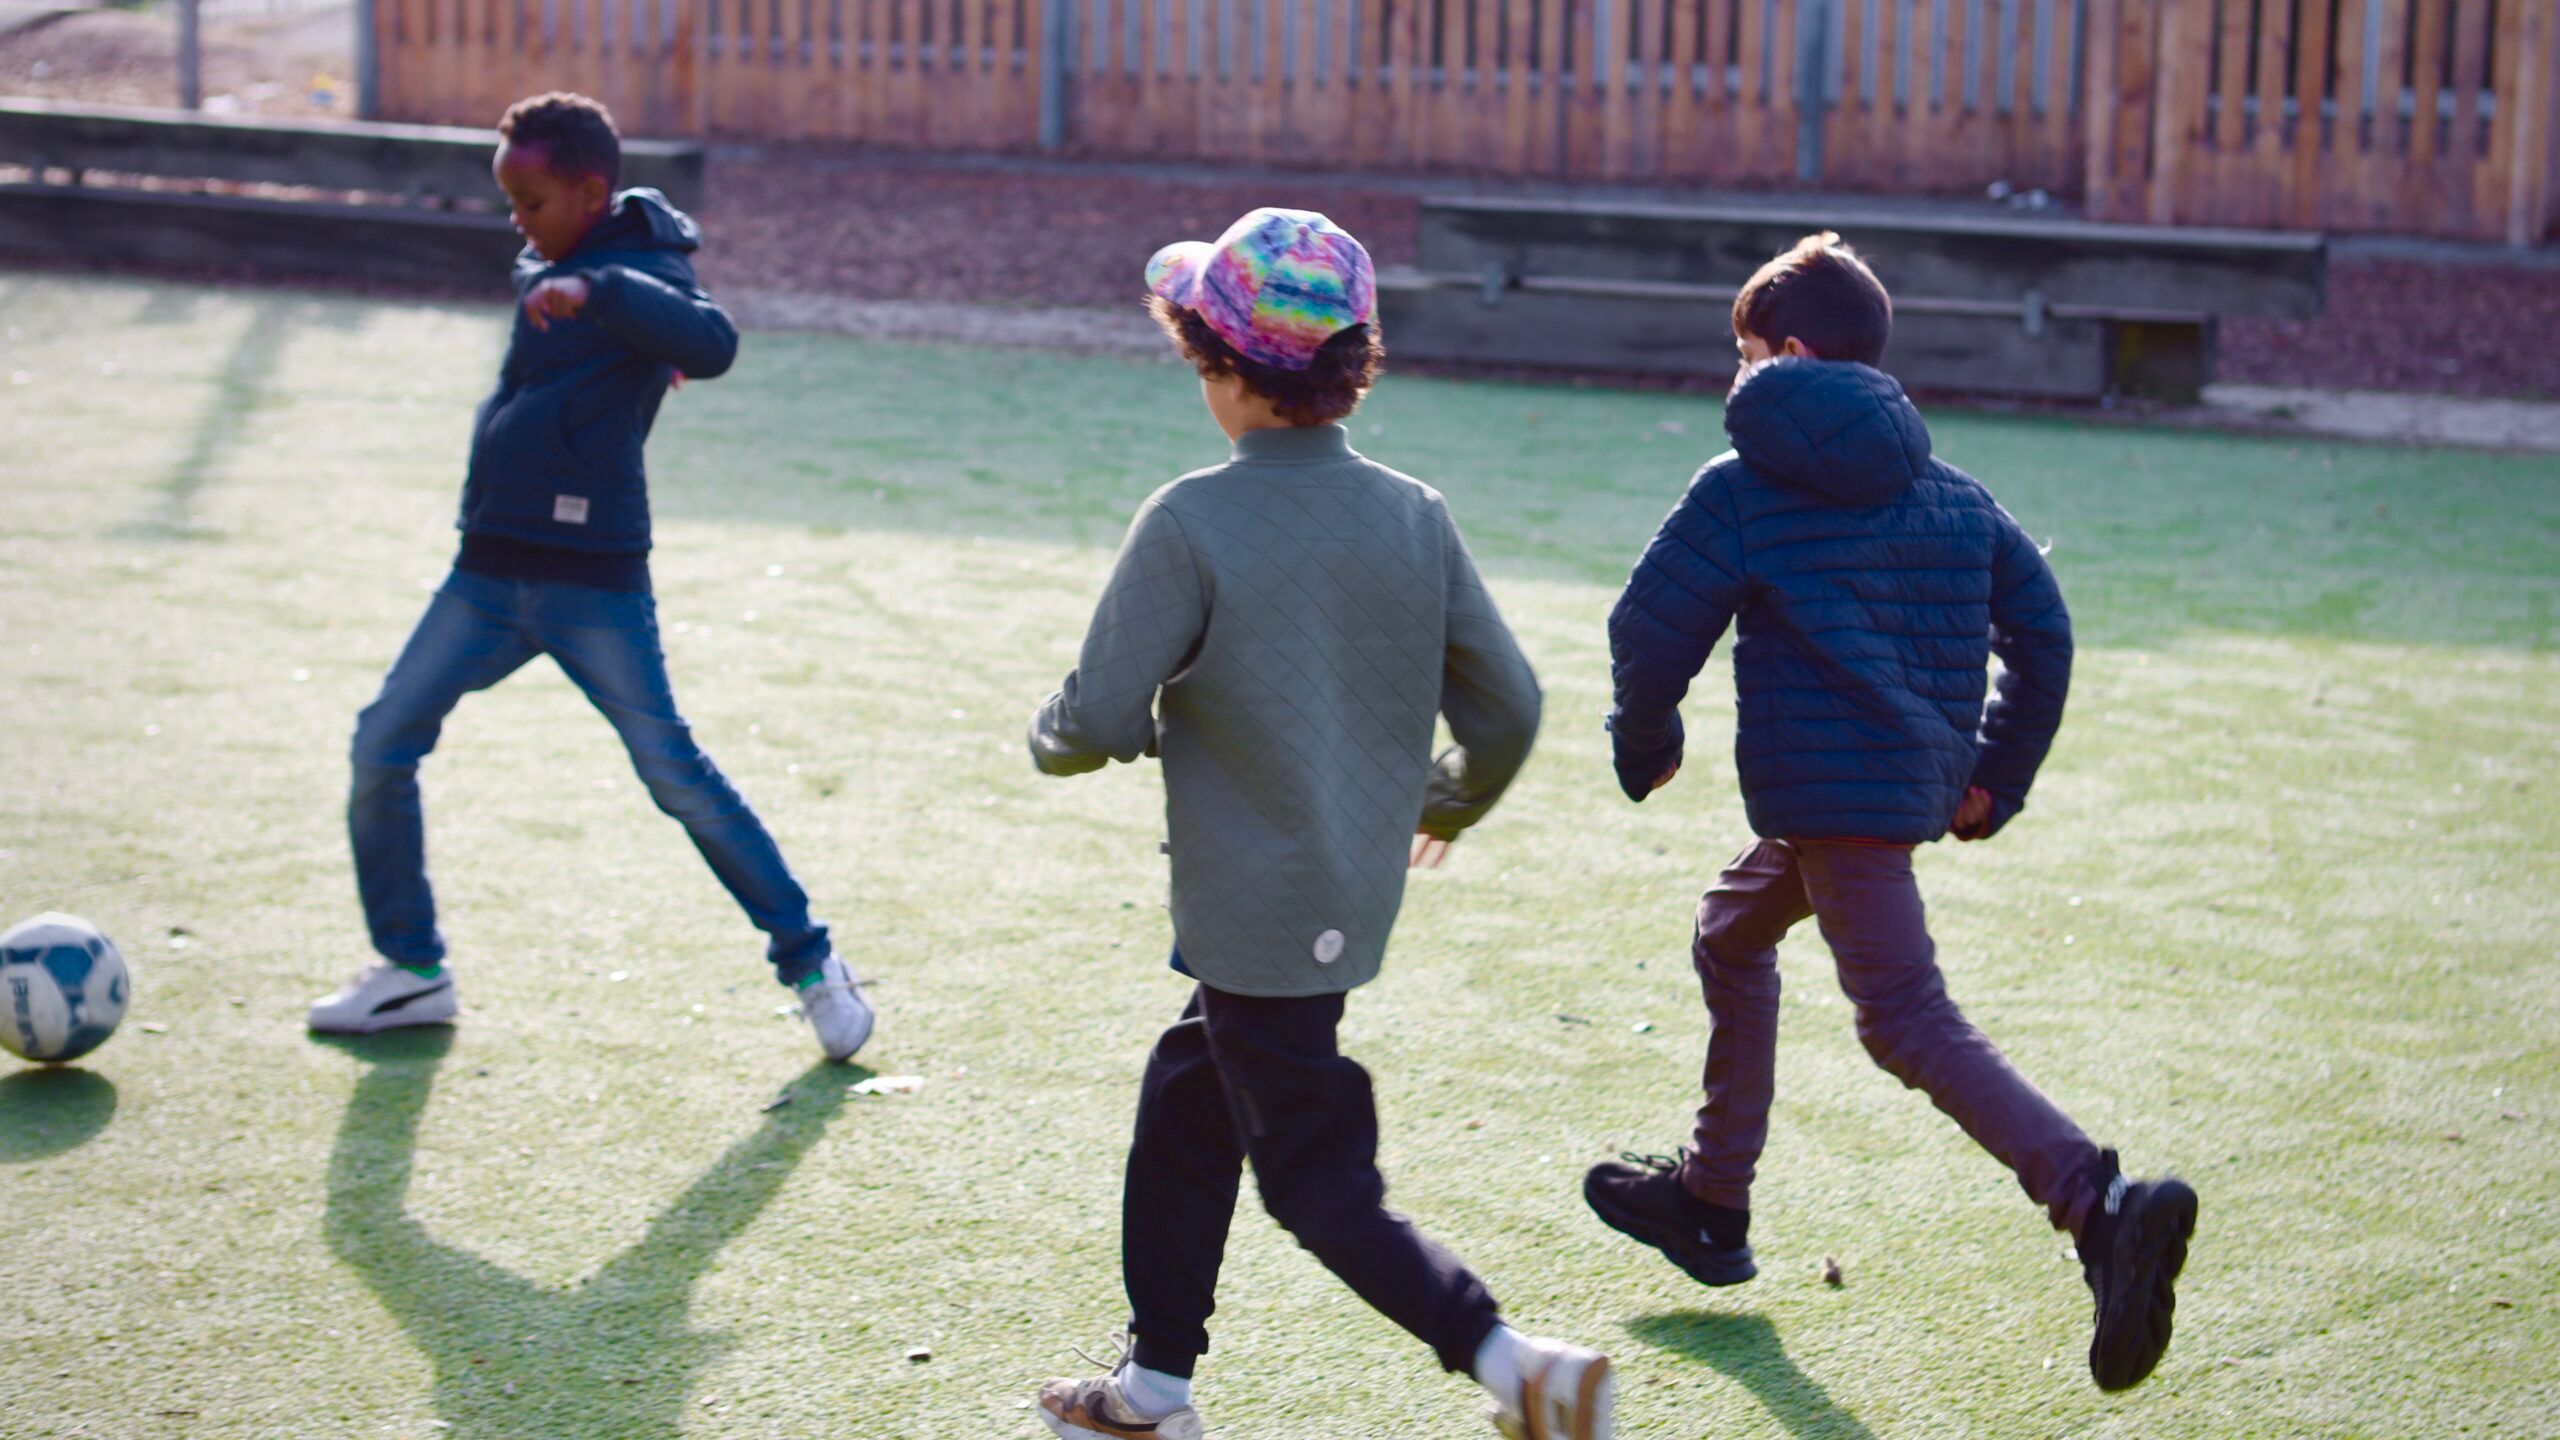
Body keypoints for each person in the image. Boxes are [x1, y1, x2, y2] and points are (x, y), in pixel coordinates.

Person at [1026, 209, 1610, 1440]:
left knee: (1314, 1176)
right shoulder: (1413, 511)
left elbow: (1096, 714)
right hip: (1345, 891)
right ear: (1350, 364)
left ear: (1217, 364)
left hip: (1256, 908)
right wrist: (1442, 799)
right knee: (1190, 1091)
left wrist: (1059, 734)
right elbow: (1507, 707)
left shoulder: (1189, 518)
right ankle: (1152, 1390)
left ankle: (1514, 1366)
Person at [1587, 231, 2196, 1392]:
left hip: (1839, 809)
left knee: (1904, 1020)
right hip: (1876, 795)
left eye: (1746, 354)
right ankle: (1712, 1203)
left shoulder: (1742, 486)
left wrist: (1645, 739)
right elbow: (2045, 634)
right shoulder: (1950, 494)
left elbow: (1645, 627)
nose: (1736, 375)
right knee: (1730, 930)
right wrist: (1990, 775)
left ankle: (2101, 1204)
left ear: (1792, 355)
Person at [308, 92, 870, 1062]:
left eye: (530, 202)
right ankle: (412, 971)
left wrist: (605, 298)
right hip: (486, 572)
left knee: (675, 776)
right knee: (381, 743)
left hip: (592, 584)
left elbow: (714, 342)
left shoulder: (634, 272)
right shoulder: (549, 259)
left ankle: (812, 962)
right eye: (511, 203)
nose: (517, 223)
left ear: (591, 191)